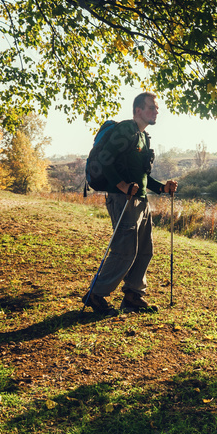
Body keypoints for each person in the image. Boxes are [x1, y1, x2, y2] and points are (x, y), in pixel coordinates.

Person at [83, 92, 177, 316]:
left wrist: (162, 188)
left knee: (145, 249)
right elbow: (105, 158)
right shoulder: (126, 129)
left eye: (156, 108)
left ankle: (134, 295)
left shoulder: (144, 137)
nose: (156, 112)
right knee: (124, 250)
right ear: (138, 111)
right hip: (122, 199)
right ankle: (96, 294)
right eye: (151, 108)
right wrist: (122, 186)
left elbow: (143, 177)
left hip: (141, 200)